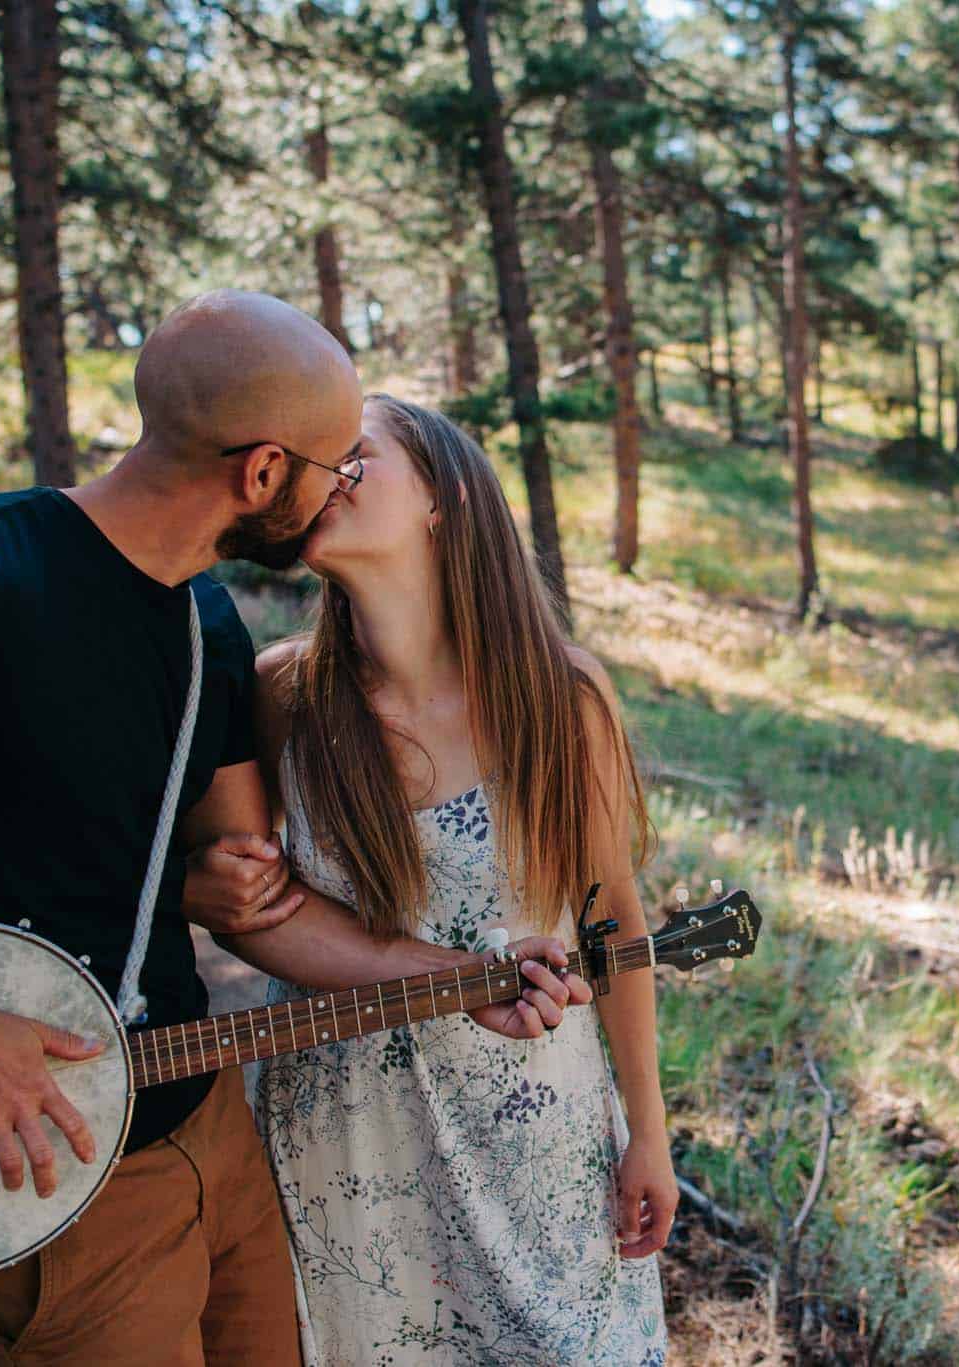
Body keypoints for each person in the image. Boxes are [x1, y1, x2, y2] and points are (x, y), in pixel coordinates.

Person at [0, 292, 590, 1366]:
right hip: (35, 1159)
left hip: (207, 1120)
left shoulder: (202, 618)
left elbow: (260, 905)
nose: (341, 486)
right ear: (263, 473)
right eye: (334, 463)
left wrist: (458, 972)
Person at [184, 393, 675, 1364]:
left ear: (443, 495)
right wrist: (205, 890)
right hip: (344, 1124)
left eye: (355, 458)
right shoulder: (283, 693)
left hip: (532, 1115)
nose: (327, 479)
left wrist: (648, 1131)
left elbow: (611, 918)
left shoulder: (555, 696)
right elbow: (245, 900)